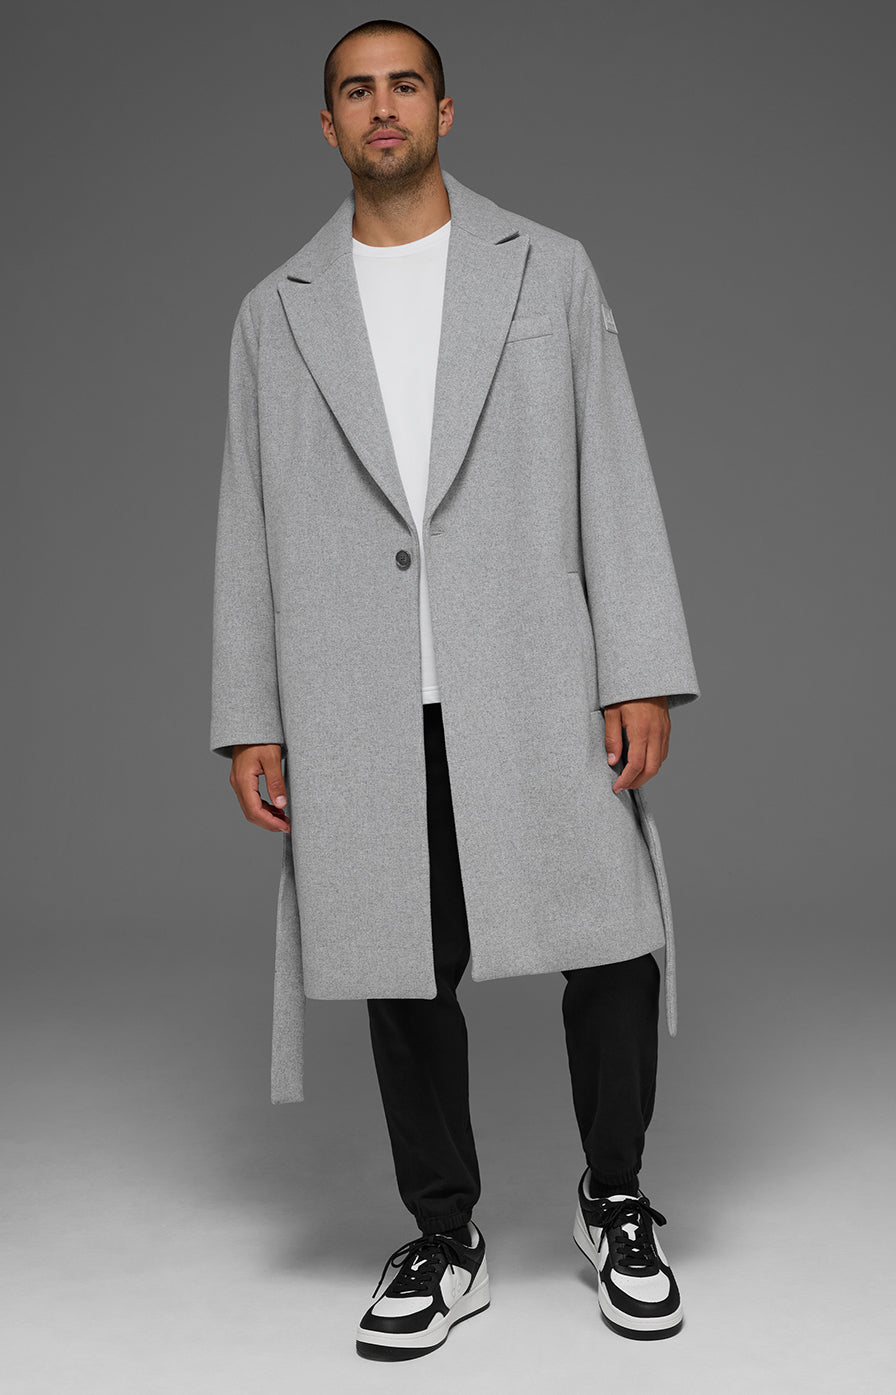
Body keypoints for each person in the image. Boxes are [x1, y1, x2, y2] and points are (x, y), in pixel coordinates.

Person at [210, 18, 700, 1361]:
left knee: (611, 939)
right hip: (356, 687)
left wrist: (639, 665)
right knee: (400, 964)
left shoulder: (546, 267)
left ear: (442, 110)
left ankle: (614, 1198)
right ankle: (444, 1236)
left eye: (405, 85)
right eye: (356, 91)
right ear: (328, 124)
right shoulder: (276, 309)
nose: (383, 108)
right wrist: (250, 712)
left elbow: (611, 463)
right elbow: (249, 518)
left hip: (534, 663)